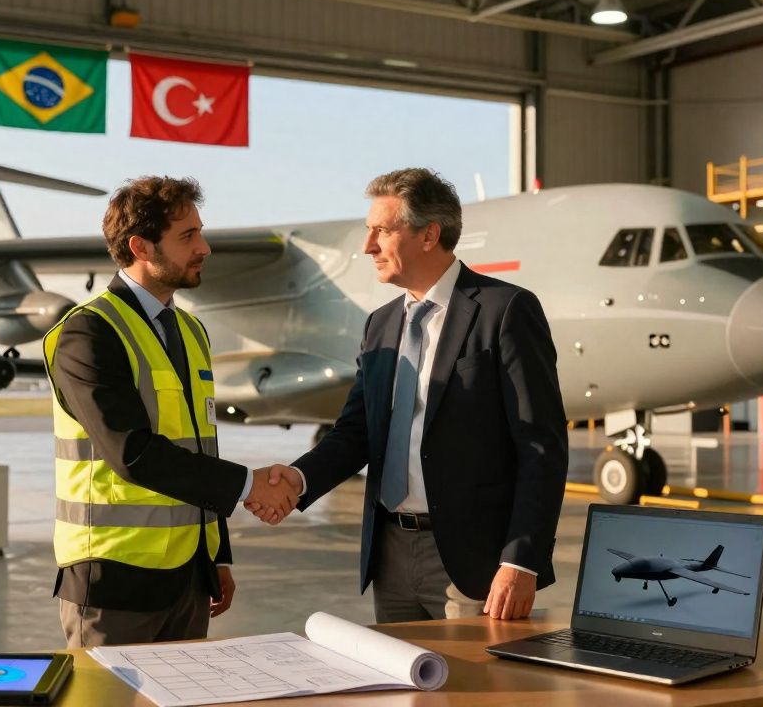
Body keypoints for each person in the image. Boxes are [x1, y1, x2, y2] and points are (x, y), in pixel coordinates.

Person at [248, 167, 567, 623]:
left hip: (475, 563)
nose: (367, 246)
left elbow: (542, 447)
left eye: (382, 230)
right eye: (367, 231)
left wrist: (521, 561)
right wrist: (298, 480)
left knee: (471, 693)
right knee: (404, 690)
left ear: (428, 235)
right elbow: (356, 433)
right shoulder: (380, 324)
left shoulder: (506, 311)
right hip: (390, 555)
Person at [44, 176, 300, 647]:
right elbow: (133, 453)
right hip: (113, 582)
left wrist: (217, 556)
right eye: (187, 236)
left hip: (189, 579)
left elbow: (199, 445)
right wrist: (248, 485)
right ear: (141, 246)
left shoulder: (189, 330)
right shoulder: (89, 333)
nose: (204, 247)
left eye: (200, 231)